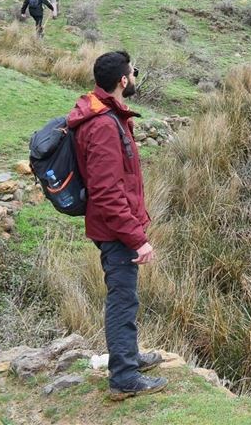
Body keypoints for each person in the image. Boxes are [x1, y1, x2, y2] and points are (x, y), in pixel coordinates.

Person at [67, 51, 167, 401]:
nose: (135, 77)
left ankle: (129, 357)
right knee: (123, 300)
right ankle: (123, 377)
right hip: (115, 231)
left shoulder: (106, 114)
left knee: (126, 297)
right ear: (124, 80)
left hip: (113, 228)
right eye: (133, 72)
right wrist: (138, 239)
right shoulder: (104, 125)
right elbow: (108, 194)